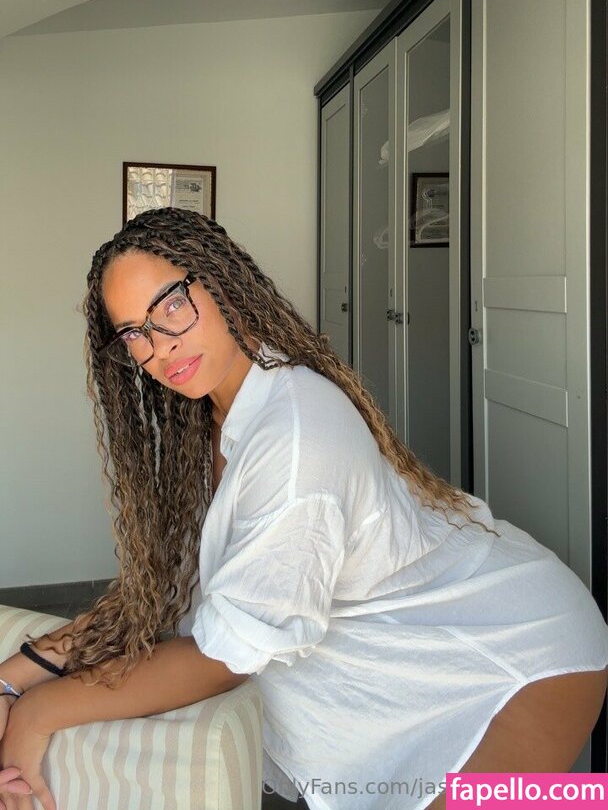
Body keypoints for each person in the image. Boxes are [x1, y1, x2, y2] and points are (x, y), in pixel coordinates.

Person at [0, 206, 607, 810]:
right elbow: (163, 593)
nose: (160, 345)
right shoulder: (210, 416)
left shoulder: (295, 436)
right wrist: (12, 677)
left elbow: (225, 657)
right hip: (408, 662)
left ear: (220, 283)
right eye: (134, 332)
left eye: (172, 305)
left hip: (518, 657)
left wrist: (37, 713)